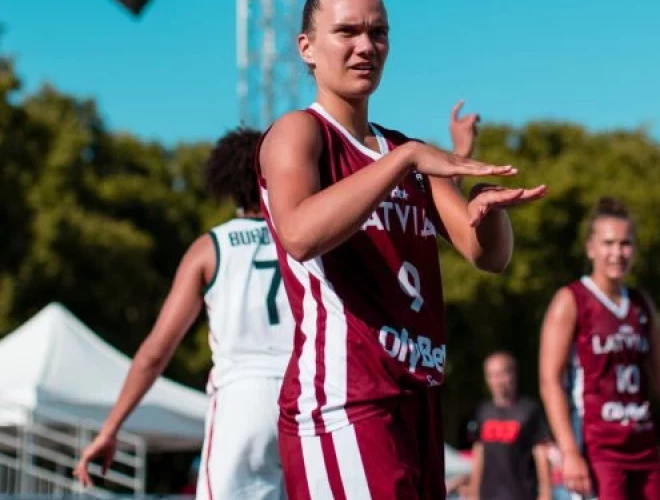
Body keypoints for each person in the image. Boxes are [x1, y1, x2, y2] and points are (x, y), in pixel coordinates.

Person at [255, 0, 546, 498]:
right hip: (345, 402)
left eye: (378, 32)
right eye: (347, 32)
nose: (366, 46)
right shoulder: (301, 132)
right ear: (307, 47)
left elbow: (488, 256)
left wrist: (489, 211)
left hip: (417, 397)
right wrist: (407, 157)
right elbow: (300, 234)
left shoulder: (403, 151)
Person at [73, 128, 294, 499]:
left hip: (241, 401)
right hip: (305, 397)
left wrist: (110, 428)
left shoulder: (211, 247)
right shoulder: (309, 237)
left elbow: (155, 352)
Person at [538, 197, 660, 500]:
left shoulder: (641, 304)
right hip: (597, 447)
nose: (617, 253)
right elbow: (549, 381)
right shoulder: (572, 300)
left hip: (643, 444)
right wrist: (569, 450)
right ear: (591, 247)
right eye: (608, 243)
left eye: (625, 244)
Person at [468, 351, 552, 500]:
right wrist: (473, 492)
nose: (498, 381)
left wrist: (545, 494)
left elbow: (540, 453)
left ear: (513, 374)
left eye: (502, 374)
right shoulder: (482, 411)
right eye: (492, 375)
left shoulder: (529, 410)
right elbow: (478, 452)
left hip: (522, 494)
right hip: (489, 495)